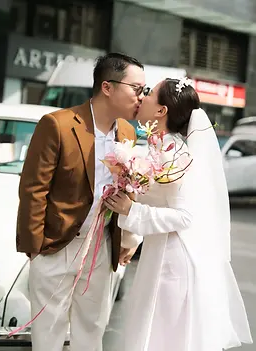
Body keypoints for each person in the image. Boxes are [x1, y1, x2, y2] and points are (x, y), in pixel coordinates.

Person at [105, 78, 253, 351]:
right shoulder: (159, 147)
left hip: (175, 260)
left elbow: (185, 216)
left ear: (161, 111)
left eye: (149, 93)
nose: (143, 97)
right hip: (160, 252)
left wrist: (131, 210)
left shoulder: (175, 154)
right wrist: (132, 237)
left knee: (166, 337)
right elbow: (160, 201)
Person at [16, 52, 147, 351]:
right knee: (48, 333)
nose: (142, 96)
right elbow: (34, 189)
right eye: (137, 88)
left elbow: (126, 189)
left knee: (92, 330)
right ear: (108, 87)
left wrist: (127, 236)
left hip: (101, 247)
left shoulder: (126, 132)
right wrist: (35, 247)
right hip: (56, 246)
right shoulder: (58, 124)